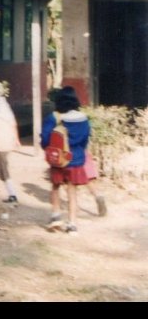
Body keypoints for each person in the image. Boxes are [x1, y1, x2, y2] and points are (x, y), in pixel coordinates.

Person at [41, 86, 91, 234]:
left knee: (55, 186)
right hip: (75, 160)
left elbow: (45, 139)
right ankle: (72, 224)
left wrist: (48, 150)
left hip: (58, 159)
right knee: (72, 191)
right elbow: (85, 140)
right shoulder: (83, 118)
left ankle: (56, 216)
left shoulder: (54, 117)